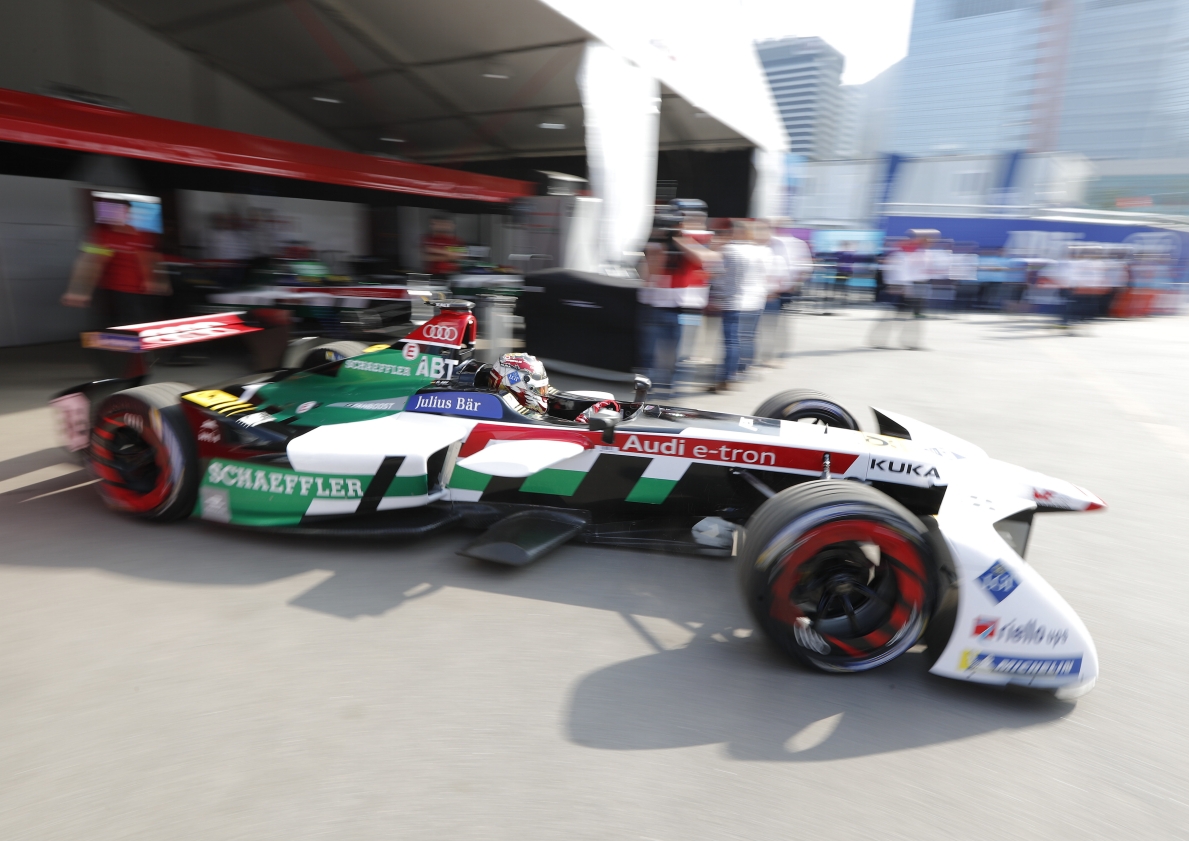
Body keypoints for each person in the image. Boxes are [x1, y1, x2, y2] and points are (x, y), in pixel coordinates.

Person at [62, 199, 169, 376]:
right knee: (104, 332)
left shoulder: (140, 235)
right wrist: (79, 291)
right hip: (109, 292)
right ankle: (111, 367)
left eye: (121, 211)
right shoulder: (101, 235)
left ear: (127, 214)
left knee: (134, 330)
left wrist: (157, 281)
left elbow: (149, 259)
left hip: (136, 293)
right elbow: (89, 262)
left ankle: (132, 366)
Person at [640, 203, 719, 397]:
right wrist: (660, 245)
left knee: (680, 351)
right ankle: (648, 386)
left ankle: (670, 387)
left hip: (685, 306)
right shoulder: (656, 243)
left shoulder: (693, 241)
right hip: (656, 305)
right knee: (650, 351)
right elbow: (650, 273)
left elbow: (707, 259)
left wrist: (679, 239)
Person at [708, 220, 767, 392]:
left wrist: (716, 295)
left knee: (731, 342)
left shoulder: (729, 250)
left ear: (735, 232)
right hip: (756, 301)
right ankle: (742, 371)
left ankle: (727, 378)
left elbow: (717, 275)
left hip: (735, 301)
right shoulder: (761, 250)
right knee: (748, 338)